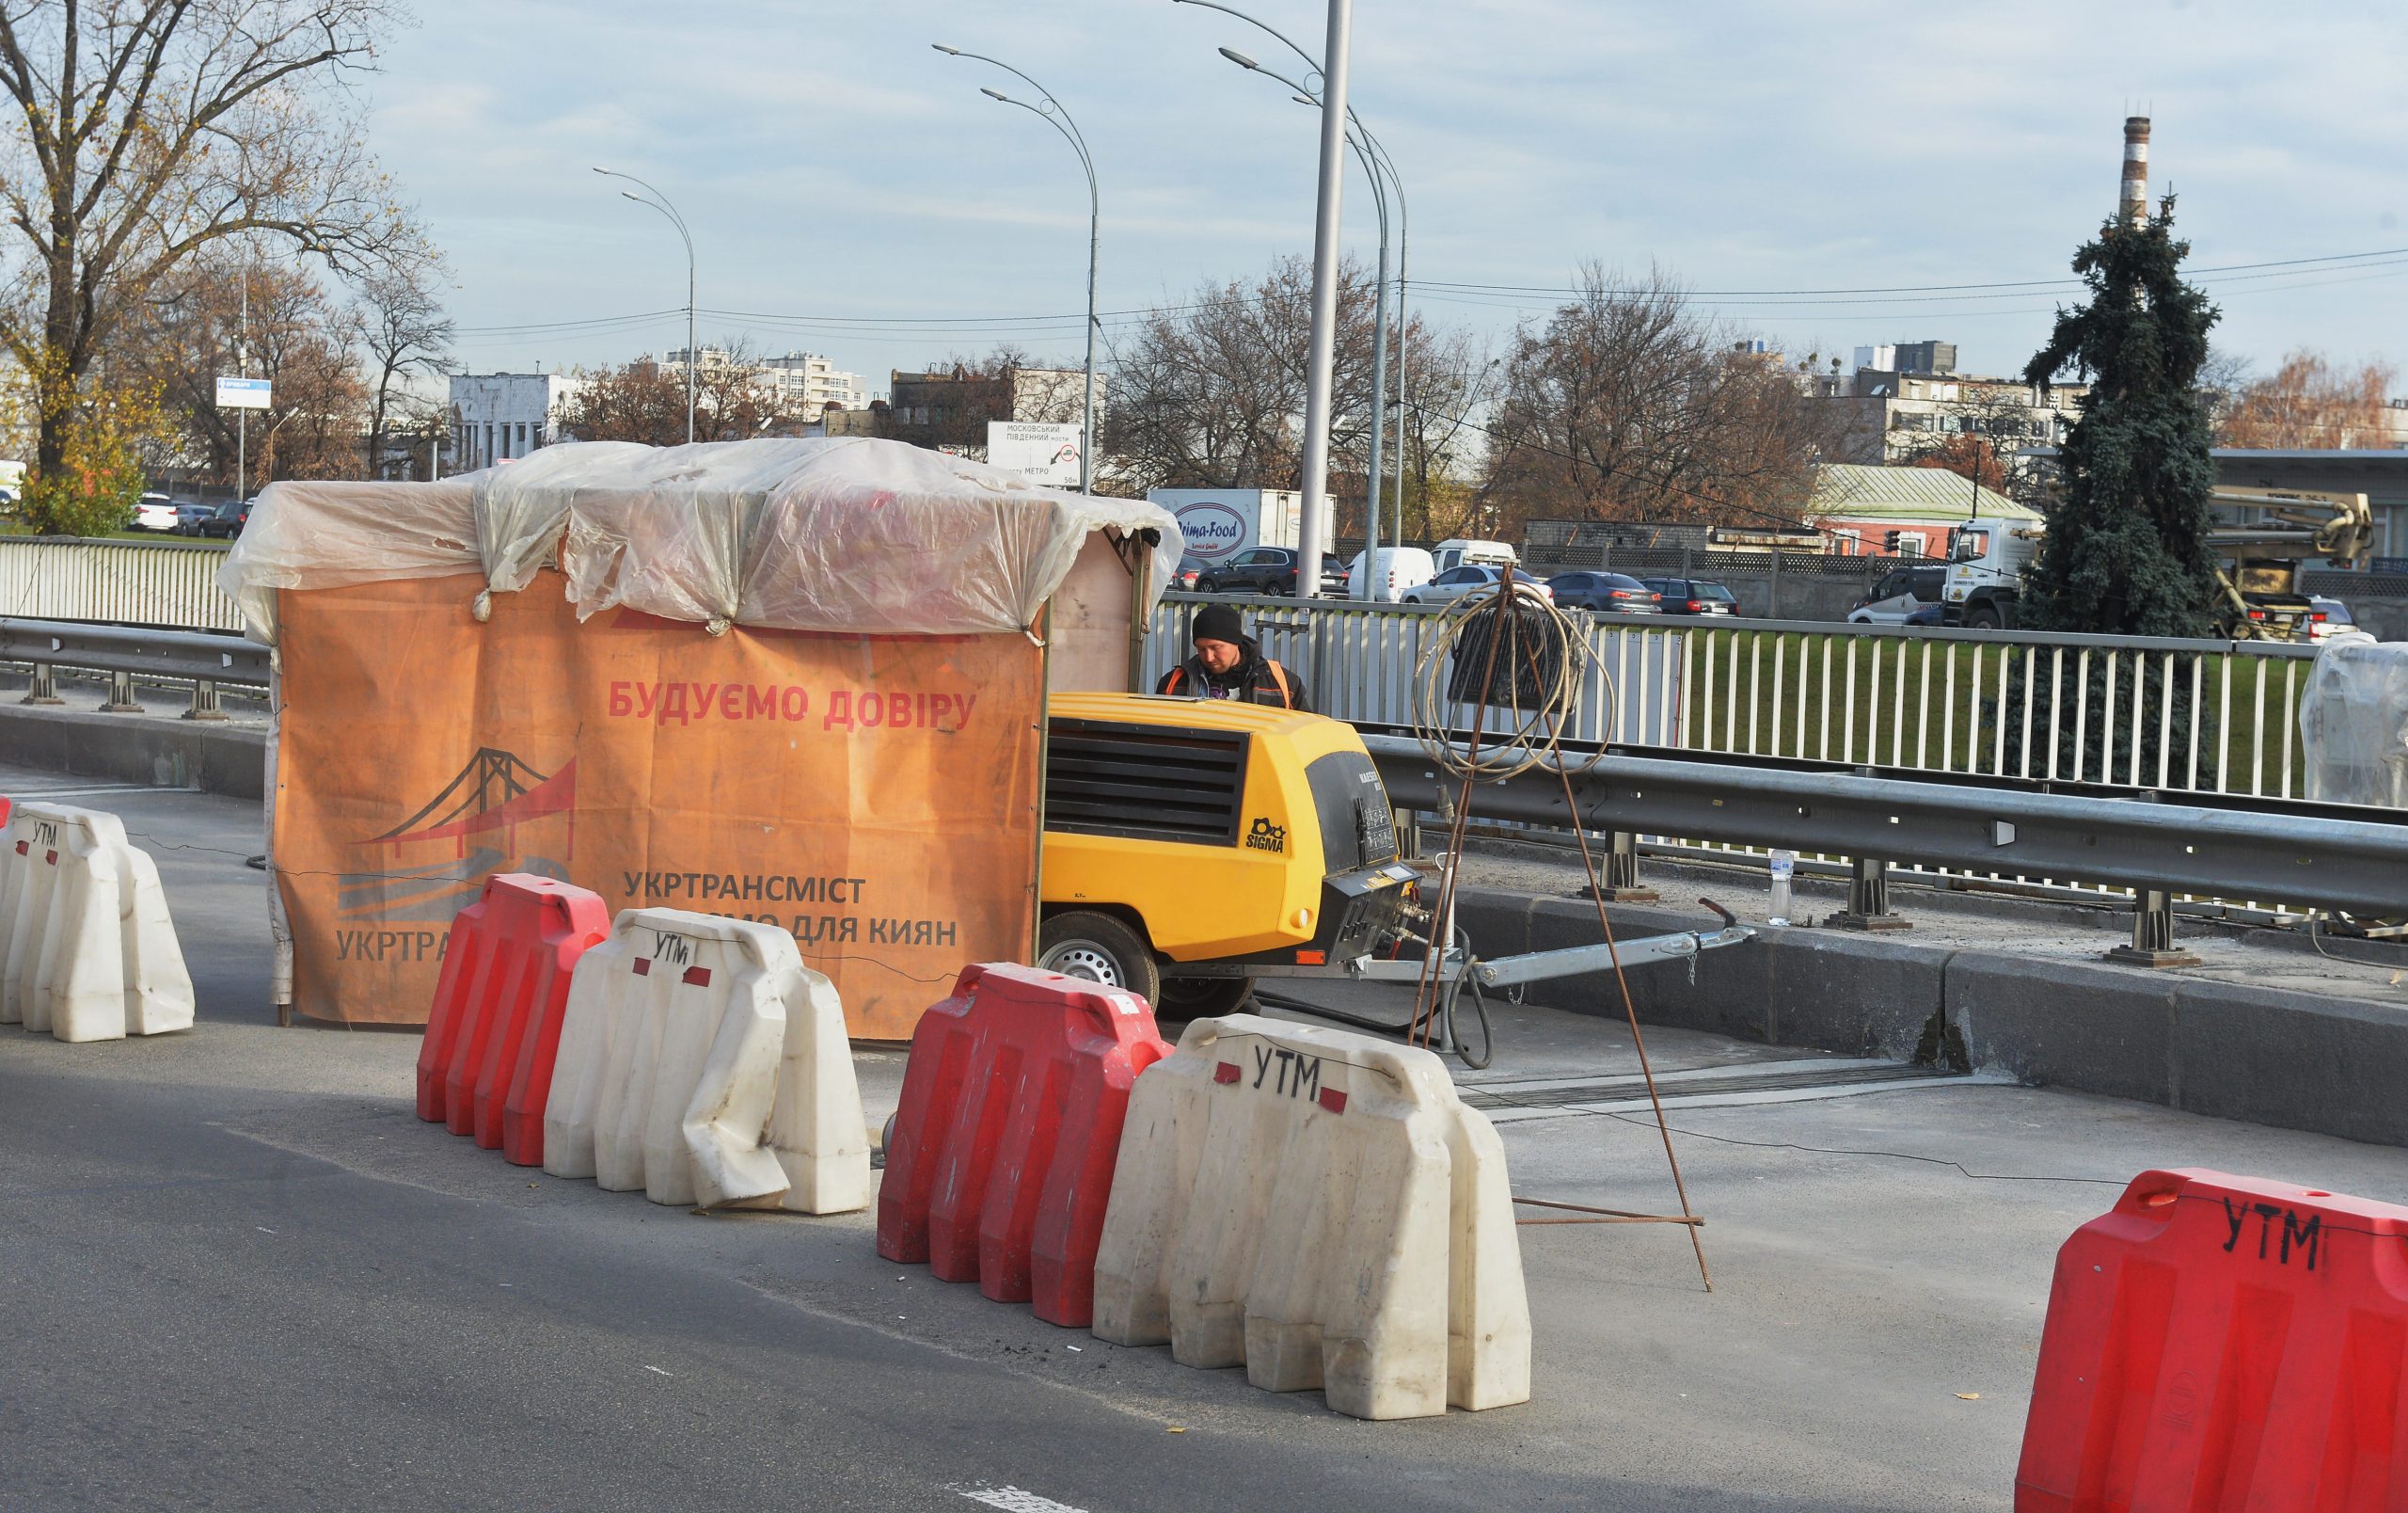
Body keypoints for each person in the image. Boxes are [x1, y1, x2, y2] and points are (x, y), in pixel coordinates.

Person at [1154, 602, 1310, 711]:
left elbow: (1304, 734)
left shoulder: (1282, 683)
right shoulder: (1173, 684)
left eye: (1216, 648)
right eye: (1201, 649)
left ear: (1236, 642)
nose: (1208, 657)